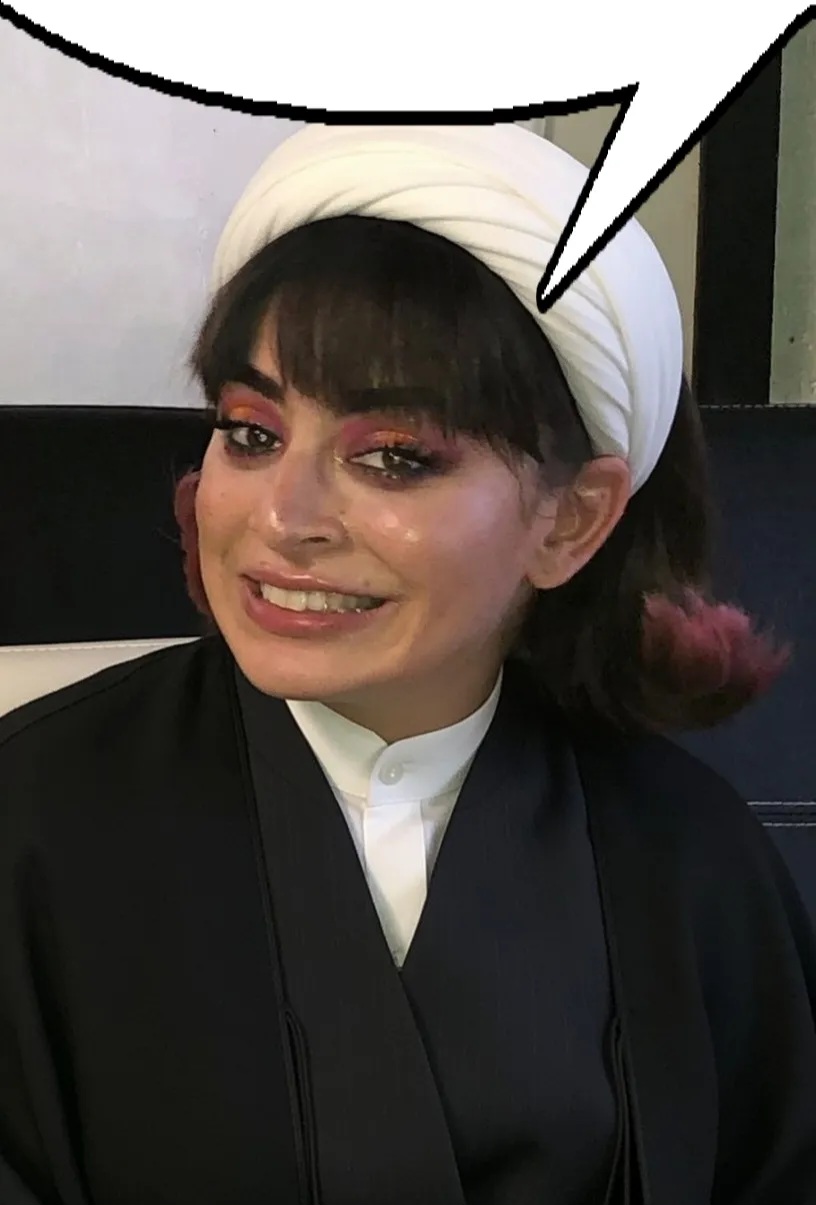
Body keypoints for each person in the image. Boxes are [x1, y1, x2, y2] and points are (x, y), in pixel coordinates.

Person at [0, 123, 814, 1205]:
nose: (282, 516)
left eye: (392, 456)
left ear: (573, 519)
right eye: (250, 433)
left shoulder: (689, 861)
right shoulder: (29, 815)